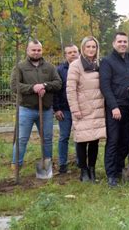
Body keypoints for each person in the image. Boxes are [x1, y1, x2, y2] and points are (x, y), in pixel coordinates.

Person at [11, 39, 62, 169]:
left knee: (47, 139)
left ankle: (47, 164)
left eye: (38, 50)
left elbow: (58, 83)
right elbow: (14, 86)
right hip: (26, 109)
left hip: (45, 110)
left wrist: (45, 85)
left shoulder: (49, 67)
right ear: (28, 51)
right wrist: (32, 88)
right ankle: (16, 165)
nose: (36, 52)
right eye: (33, 50)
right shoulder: (20, 67)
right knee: (22, 139)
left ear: (42, 51)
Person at [100, 32, 129, 187]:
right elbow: (105, 86)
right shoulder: (107, 61)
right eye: (120, 41)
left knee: (126, 140)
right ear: (114, 43)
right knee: (113, 140)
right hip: (115, 108)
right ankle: (111, 174)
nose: (122, 44)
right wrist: (113, 107)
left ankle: (119, 168)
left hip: (128, 106)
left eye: (125, 41)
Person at [66, 36, 106, 182]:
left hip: (97, 108)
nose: (91, 49)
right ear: (83, 48)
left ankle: (92, 169)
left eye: (93, 47)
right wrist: (75, 109)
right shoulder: (76, 65)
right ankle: (83, 170)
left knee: (94, 140)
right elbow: (70, 89)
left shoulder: (99, 64)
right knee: (82, 140)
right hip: (82, 109)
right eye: (88, 46)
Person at [53, 44, 80, 174]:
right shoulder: (59, 70)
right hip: (65, 109)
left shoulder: (83, 67)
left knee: (80, 136)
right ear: (65, 55)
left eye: (75, 52)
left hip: (80, 109)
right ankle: (63, 164)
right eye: (70, 53)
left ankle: (80, 161)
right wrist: (56, 109)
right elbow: (56, 91)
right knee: (64, 137)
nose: (73, 54)